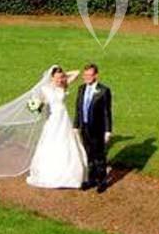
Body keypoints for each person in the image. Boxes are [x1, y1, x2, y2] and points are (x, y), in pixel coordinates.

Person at [26, 65, 88, 189]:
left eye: (62, 77)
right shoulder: (45, 89)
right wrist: (37, 106)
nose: (60, 80)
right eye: (57, 78)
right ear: (51, 77)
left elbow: (76, 72)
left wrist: (64, 75)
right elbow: (41, 103)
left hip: (64, 118)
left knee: (67, 142)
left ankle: (70, 175)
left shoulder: (63, 85)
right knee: (52, 142)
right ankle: (51, 173)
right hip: (54, 119)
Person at [74, 63, 113, 192]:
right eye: (85, 75)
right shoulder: (81, 89)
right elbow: (78, 109)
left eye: (90, 75)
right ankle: (91, 179)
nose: (87, 78)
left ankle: (102, 181)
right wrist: (76, 125)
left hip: (98, 128)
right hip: (84, 127)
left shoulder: (103, 90)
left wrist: (108, 130)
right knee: (88, 154)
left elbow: (107, 112)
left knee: (99, 155)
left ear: (96, 75)